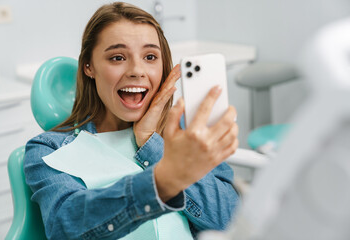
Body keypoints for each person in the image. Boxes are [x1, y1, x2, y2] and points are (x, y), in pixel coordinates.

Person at [24, 2, 240, 239]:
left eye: (150, 56)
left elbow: (230, 222)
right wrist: (164, 180)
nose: (137, 70)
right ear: (89, 66)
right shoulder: (47, 149)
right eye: (117, 57)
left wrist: (151, 143)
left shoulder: (185, 134)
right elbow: (65, 226)